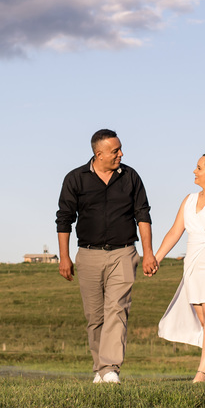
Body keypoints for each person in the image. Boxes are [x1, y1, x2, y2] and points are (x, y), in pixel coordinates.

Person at [56, 129, 155, 384]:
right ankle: (100, 369)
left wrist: (148, 254)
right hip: (88, 255)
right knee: (95, 316)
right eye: (115, 151)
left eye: (120, 149)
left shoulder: (130, 177)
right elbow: (64, 219)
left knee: (117, 309)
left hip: (123, 252)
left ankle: (110, 368)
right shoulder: (75, 179)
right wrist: (64, 257)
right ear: (98, 154)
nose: (121, 154)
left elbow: (142, 215)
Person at [144, 152, 205, 382]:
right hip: (194, 265)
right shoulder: (188, 200)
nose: (194, 172)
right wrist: (156, 257)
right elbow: (174, 232)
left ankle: (201, 373)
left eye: (199, 168)